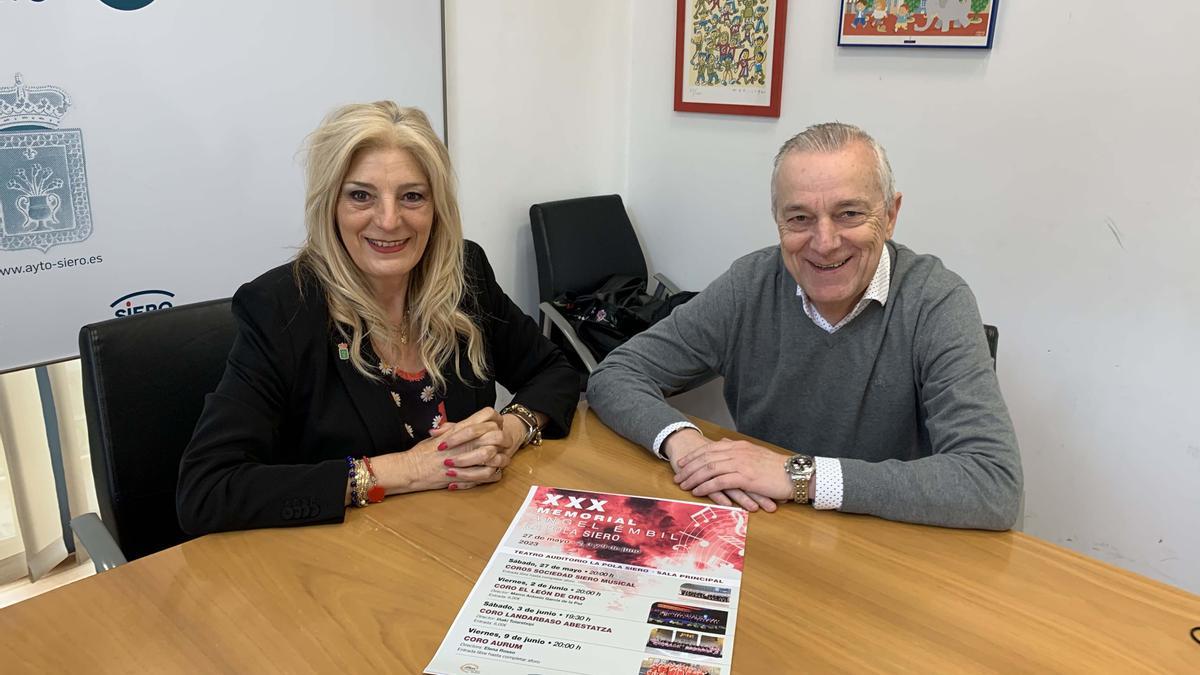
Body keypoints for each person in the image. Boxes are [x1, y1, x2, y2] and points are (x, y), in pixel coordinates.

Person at [587, 122, 1021, 530]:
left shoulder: (936, 300)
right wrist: (685, 443)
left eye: (849, 213)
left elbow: (992, 482)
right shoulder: (750, 285)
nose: (825, 241)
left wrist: (799, 476)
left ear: (890, 215)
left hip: (886, 545)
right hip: (773, 530)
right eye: (799, 218)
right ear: (777, 219)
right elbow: (615, 374)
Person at [177, 102, 578, 535]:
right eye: (360, 195)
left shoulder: (464, 273)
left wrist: (512, 429)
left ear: (436, 207)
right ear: (330, 204)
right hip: (336, 567)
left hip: (458, 539)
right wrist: (407, 469)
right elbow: (207, 491)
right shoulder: (282, 308)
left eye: (412, 196)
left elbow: (555, 370)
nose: (389, 220)